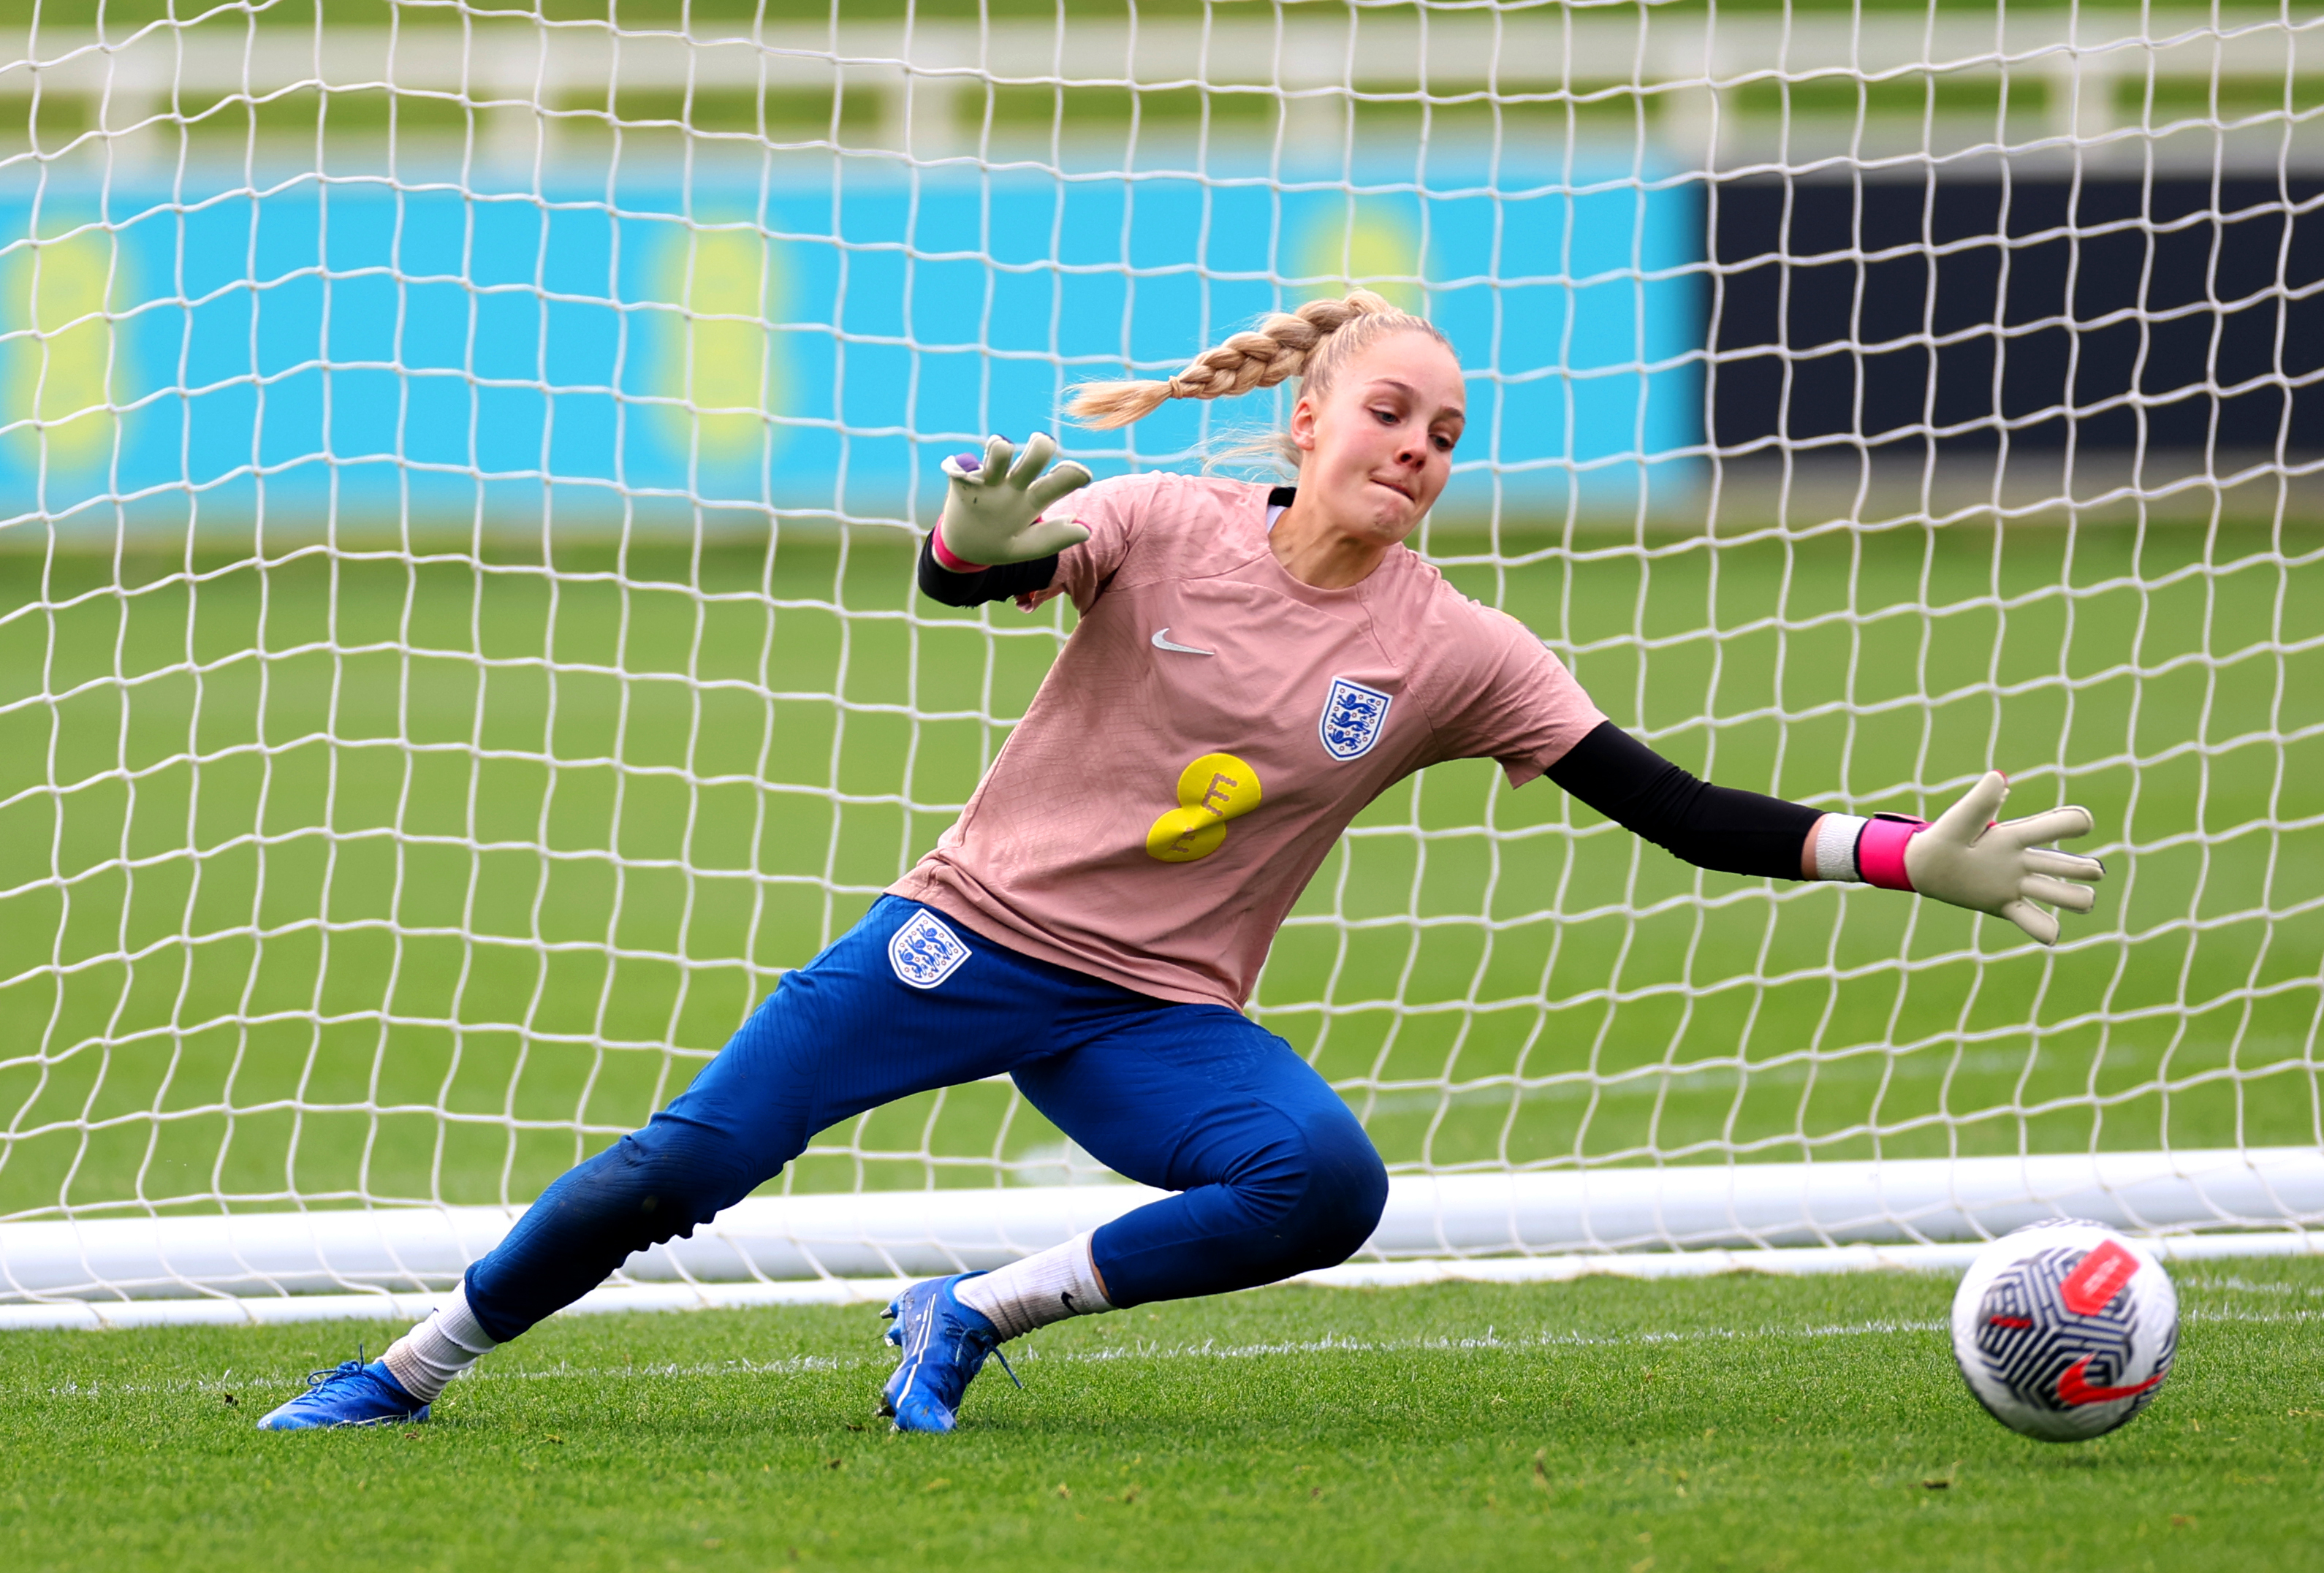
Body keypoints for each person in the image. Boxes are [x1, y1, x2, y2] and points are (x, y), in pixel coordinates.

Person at [257, 292, 2105, 1434]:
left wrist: (1891, 857)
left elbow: (1672, 804)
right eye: (1394, 414)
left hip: (1156, 1011)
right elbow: (976, 579)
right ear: (1305, 420)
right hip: (962, 935)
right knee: (696, 1161)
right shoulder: (1156, 518)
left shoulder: (1460, 649)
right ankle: (406, 1370)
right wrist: (968, 542)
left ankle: (970, 1312)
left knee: (1321, 1182)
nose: (1423, 450)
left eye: (1450, 437)